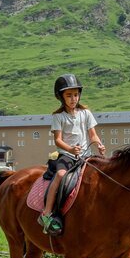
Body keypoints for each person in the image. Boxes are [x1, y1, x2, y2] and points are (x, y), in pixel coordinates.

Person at [39, 73, 105, 234]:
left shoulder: (86, 113)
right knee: (61, 175)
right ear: (61, 97)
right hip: (67, 156)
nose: (73, 98)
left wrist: (98, 143)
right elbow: (58, 141)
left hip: (87, 156)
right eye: (69, 95)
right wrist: (70, 149)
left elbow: (92, 134)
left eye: (75, 95)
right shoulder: (58, 117)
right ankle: (47, 213)